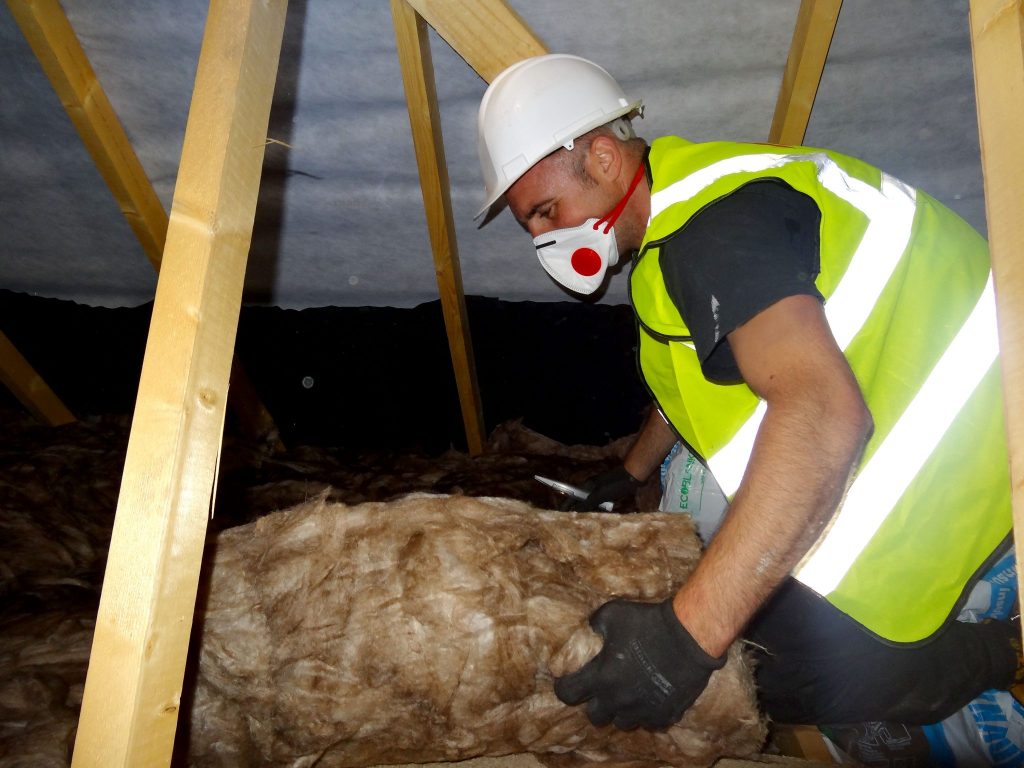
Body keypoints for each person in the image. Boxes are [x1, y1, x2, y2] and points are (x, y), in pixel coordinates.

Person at [474, 53, 1018, 735]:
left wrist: (686, 639)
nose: (542, 238)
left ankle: (999, 651)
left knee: (763, 675)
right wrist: (629, 472)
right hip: (940, 423)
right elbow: (691, 379)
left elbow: (824, 415)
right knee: (732, 596)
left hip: (985, 467)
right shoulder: (680, 220)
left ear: (606, 161)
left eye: (546, 211)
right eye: (531, 223)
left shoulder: (714, 232)